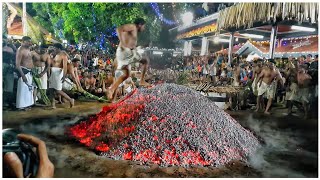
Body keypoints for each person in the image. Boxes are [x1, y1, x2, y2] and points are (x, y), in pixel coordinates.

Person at [106, 18, 150, 101]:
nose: (144, 28)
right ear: (140, 24)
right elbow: (119, 29)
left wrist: (143, 46)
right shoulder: (133, 26)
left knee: (126, 74)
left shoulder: (134, 31)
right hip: (125, 52)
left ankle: (111, 89)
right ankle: (142, 81)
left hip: (126, 53)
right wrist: (122, 42)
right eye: (144, 26)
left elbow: (132, 46)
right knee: (146, 60)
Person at [49, 43, 74, 109]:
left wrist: (64, 76)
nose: (54, 49)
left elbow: (65, 67)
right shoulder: (54, 54)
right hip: (53, 72)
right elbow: (52, 63)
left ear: (59, 49)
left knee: (58, 90)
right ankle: (53, 105)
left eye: (55, 48)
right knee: (51, 89)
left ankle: (70, 99)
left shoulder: (64, 56)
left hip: (59, 73)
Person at [15, 36, 34, 110]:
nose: (30, 43)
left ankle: (27, 105)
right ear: (23, 41)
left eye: (30, 41)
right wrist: (22, 75)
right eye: (28, 41)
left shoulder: (28, 49)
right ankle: (21, 106)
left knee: (27, 90)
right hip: (23, 71)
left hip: (29, 72)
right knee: (22, 90)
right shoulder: (20, 50)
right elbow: (17, 64)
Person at [3, 37, 16, 108]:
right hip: (5, 67)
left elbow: (15, 54)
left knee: (9, 86)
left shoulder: (10, 48)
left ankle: (6, 102)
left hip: (9, 68)